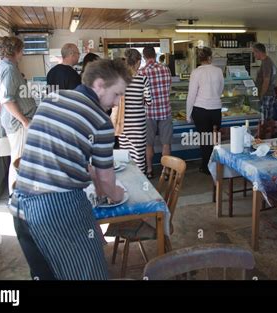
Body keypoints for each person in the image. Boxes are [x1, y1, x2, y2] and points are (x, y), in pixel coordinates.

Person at [12, 59, 132, 280]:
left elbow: (67, 154)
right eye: (116, 94)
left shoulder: (50, 100)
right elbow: (106, 181)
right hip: (55, 209)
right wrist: (119, 194)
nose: (117, 103)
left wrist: (95, 181)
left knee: (46, 275)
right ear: (99, 85)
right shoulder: (100, 121)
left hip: (20, 206)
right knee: (90, 274)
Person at [0, 36, 37, 196]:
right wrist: (25, 121)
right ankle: (16, 195)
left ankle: (18, 193)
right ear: (16, 50)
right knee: (19, 159)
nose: (22, 54)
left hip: (14, 120)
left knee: (18, 157)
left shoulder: (2, 66)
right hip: (18, 123)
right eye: (22, 50)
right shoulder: (10, 69)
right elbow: (7, 100)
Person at [112, 49, 152, 173]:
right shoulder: (143, 79)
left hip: (123, 124)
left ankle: (129, 183)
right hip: (138, 124)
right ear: (138, 62)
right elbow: (149, 101)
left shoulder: (120, 80)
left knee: (126, 156)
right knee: (139, 157)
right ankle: (141, 185)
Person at [186, 47, 224, 175]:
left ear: (199, 59)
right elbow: (220, 89)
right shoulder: (218, 71)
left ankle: (206, 166)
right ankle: (216, 165)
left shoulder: (196, 72)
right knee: (215, 138)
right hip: (216, 109)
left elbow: (191, 95)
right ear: (210, 57)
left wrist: (188, 114)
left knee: (205, 140)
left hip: (200, 110)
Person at [139, 47, 172, 178]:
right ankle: (166, 171)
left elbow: (141, 95)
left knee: (148, 143)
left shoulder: (141, 72)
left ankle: (149, 170)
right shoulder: (166, 69)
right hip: (165, 111)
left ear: (144, 57)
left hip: (148, 113)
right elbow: (169, 88)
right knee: (166, 143)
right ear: (155, 55)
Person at [252, 43, 277, 123]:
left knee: (264, 121)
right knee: (267, 120)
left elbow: (266, 81)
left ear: (258, 52)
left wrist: (261, 96)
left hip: (266, 95)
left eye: (254, 52)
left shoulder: (266, 63)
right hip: (269, 94)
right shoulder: (267, 61)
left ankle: (264, 136)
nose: (254, 55)